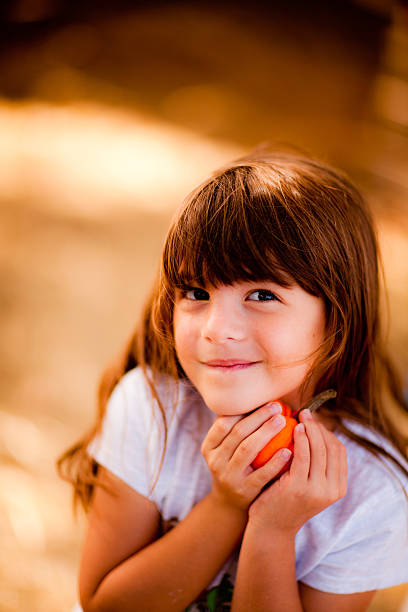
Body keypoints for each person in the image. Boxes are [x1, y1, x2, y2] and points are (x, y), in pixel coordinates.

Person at [58, 147, 408, 612]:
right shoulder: (150, 410)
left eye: (262, 294)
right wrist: (226, 507)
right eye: (196, 293)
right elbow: (106, 605)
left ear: (337, 315)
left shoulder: (371, 491)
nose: (215, 329)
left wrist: (273, 530)